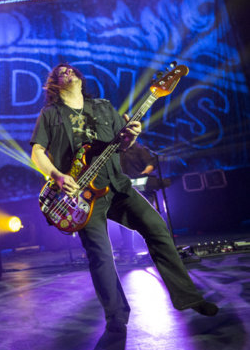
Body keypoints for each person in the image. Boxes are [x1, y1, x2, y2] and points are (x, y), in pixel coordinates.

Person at [30, 63, 218, 333]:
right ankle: (116, 317)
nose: (66, 73)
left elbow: (123, 145)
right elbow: (37, 152)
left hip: (116, 186)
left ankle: (189, 297)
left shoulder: (104, 108)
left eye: (70, 70)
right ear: (54, 85)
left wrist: (131, 136)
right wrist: (57, 175)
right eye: (59, 73)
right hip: (80, 197)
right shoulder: (50, 114)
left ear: (81, 80)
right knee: (101, 256)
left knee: (157, 229)